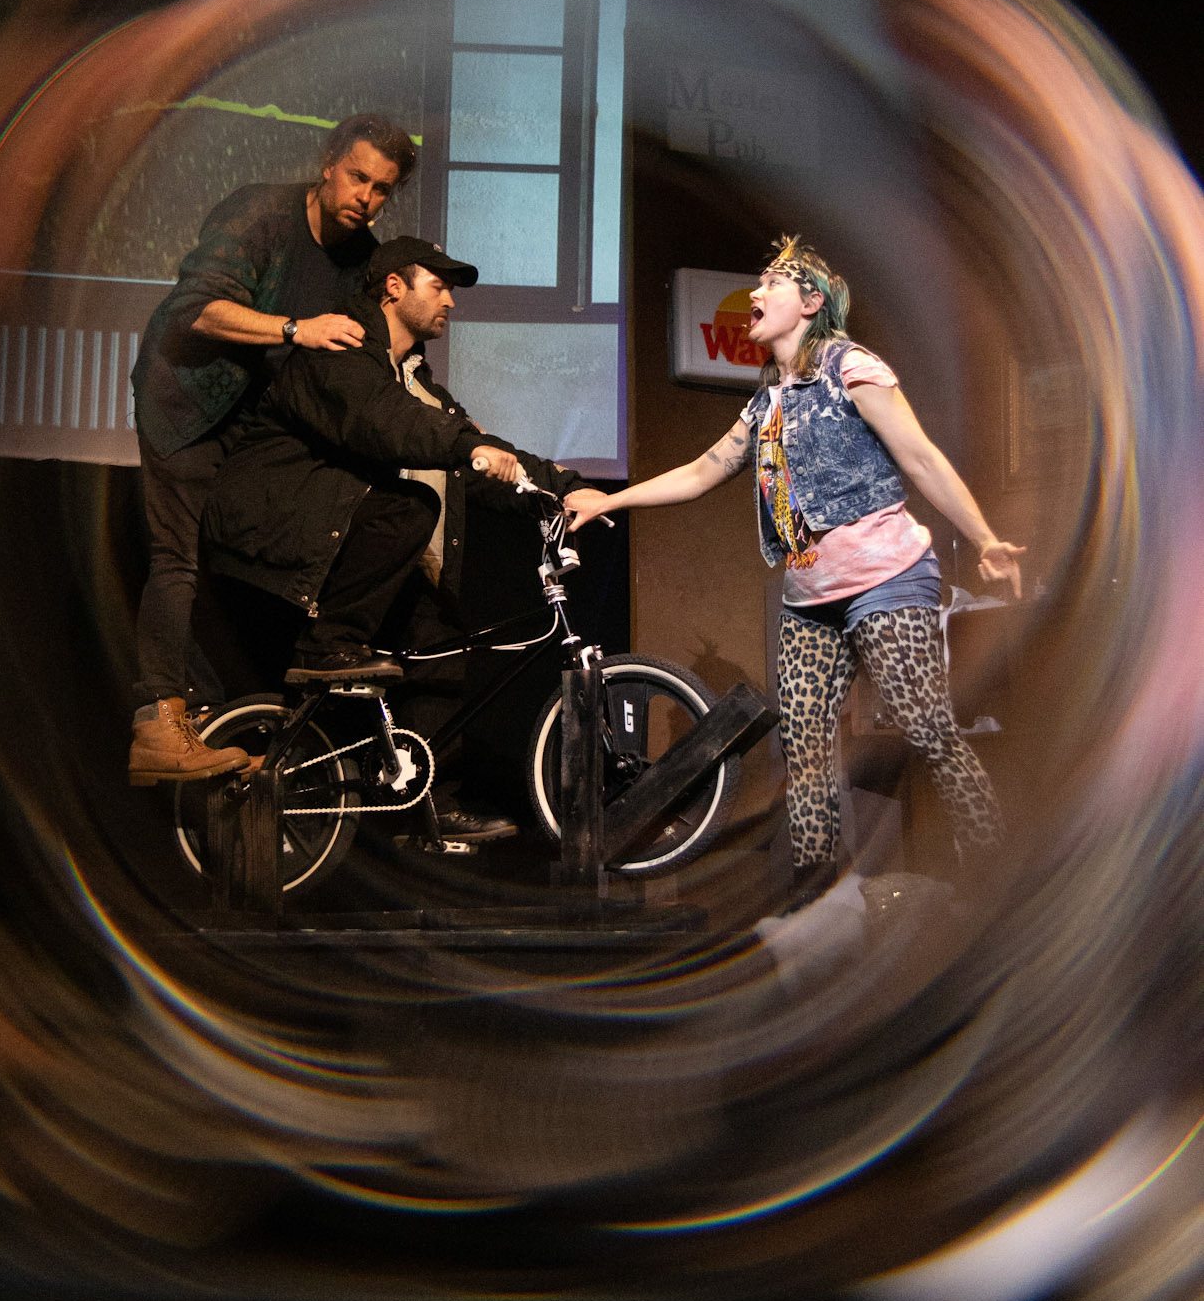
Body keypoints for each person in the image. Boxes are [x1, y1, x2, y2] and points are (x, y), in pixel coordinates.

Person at [566, 236, 1025, 905]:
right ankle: (815, 893)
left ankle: (994, 877)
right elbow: (701, 472)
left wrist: (983, 538)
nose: (754, 293)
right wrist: (608, 500)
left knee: (925, 726)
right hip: (809, 593)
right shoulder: (765, 403)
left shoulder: (851, 367)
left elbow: (920, 457)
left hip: (886, 577)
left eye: (771, 284)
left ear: (811, 303)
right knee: (805, 745)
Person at [201, 236, 610, 840]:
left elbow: (481, 454)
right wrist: (468, 446)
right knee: (413, 506)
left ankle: (432, 807)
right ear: (394, 286)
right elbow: (382, 420)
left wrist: (566, 488)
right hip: (279, 527)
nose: (450, 301)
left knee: (440, 647)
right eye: (438, 286)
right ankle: (326, 647)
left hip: (373, 555)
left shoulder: (421, 388)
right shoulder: (340, 347)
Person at [128, 113, 417, 785]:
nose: (365, 196)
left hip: (255, 423)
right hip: (187, 402)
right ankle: (157, 722)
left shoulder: (362, 260)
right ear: (327, 163)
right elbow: (195, 307)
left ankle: (212, 719)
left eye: (381, 188)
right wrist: (294, 328)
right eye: (357, 177)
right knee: (179, 555)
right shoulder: (260, 213)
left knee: (239, 556)